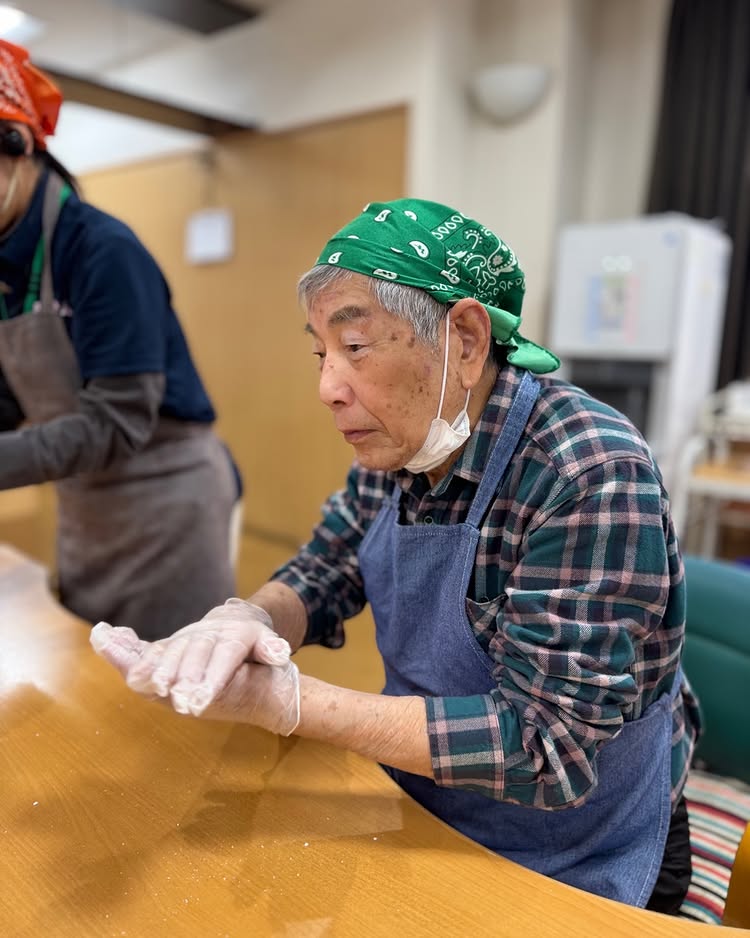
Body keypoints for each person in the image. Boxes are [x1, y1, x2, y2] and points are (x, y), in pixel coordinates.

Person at [92, 197, 701, 912]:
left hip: (577, 844)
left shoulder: (587, 470)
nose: (328, 388)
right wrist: (245, 619)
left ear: (465, 340)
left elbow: (546, 749)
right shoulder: (406, 439)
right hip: (431, 798)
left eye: (355, 347)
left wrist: (289, 701)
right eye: (321, 353)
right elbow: (326, 568)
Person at [0, 40, 240, 639]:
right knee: (89, 671)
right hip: (86, 503)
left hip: (166, 502)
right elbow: (10, 396)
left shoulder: (102, 251)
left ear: (19, 144)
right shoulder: (6, 262)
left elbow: (117, 422)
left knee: (170, 680)